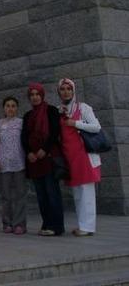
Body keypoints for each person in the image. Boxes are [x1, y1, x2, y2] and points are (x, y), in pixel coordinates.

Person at [57, 78, 102, 236]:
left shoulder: (83, 108)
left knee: (86, 192)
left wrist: (75, 124)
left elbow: (96, 127)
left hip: (84, 155)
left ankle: (88, 227)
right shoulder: (59, 111)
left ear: (73, 91)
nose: (66, 92)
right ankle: (83, 225)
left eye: (69, 89)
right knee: (77, 193)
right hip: (70, 157)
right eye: (63, 89)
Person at [21, 83, 64, 236]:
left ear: (42, 95)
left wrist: (43, 150)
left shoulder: (51, 111)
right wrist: (29, 152)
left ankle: (56, 226)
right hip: (34, 161)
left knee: (52, 193)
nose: (35, 97)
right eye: (32, 94)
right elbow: (24, 137)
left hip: (49, 157)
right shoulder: (27, 116)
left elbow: (54, 132)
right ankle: (46, 224)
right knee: (41, 195)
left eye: (37, 94)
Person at [0, 97, 27, 234]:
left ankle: (19, 224)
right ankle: (7, 223)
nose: (10, 108)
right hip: (4, 163)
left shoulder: (21, 123)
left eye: (13, 106)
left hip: (19, 163)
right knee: (6, 196)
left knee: (20, 195)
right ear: (3, 108)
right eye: (8, 106)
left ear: (17, 108)